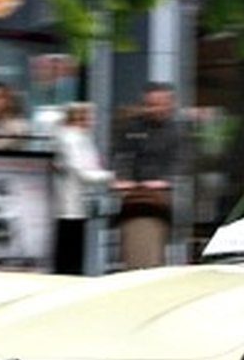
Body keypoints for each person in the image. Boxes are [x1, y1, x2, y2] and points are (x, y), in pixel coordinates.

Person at [111, 81, 190, 269]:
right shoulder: (132, 128)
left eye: (158, 104)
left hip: (159, 202)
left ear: (169, 104)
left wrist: (165, 181)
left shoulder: (177, 132)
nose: (153, 109)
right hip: (135, 200)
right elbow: (119, 155)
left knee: (150, 249)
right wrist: (122, 180)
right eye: (149, 104)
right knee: (134, 248)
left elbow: (181, 161)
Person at [49, 101, 111, 275]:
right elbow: (82, 171)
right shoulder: (71, 139)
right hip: (70, 202)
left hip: (78, 202)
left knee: (74, 243)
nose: (92, 121)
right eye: (88, 116)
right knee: (70, 246)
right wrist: (109, 177)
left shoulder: (81, 138)